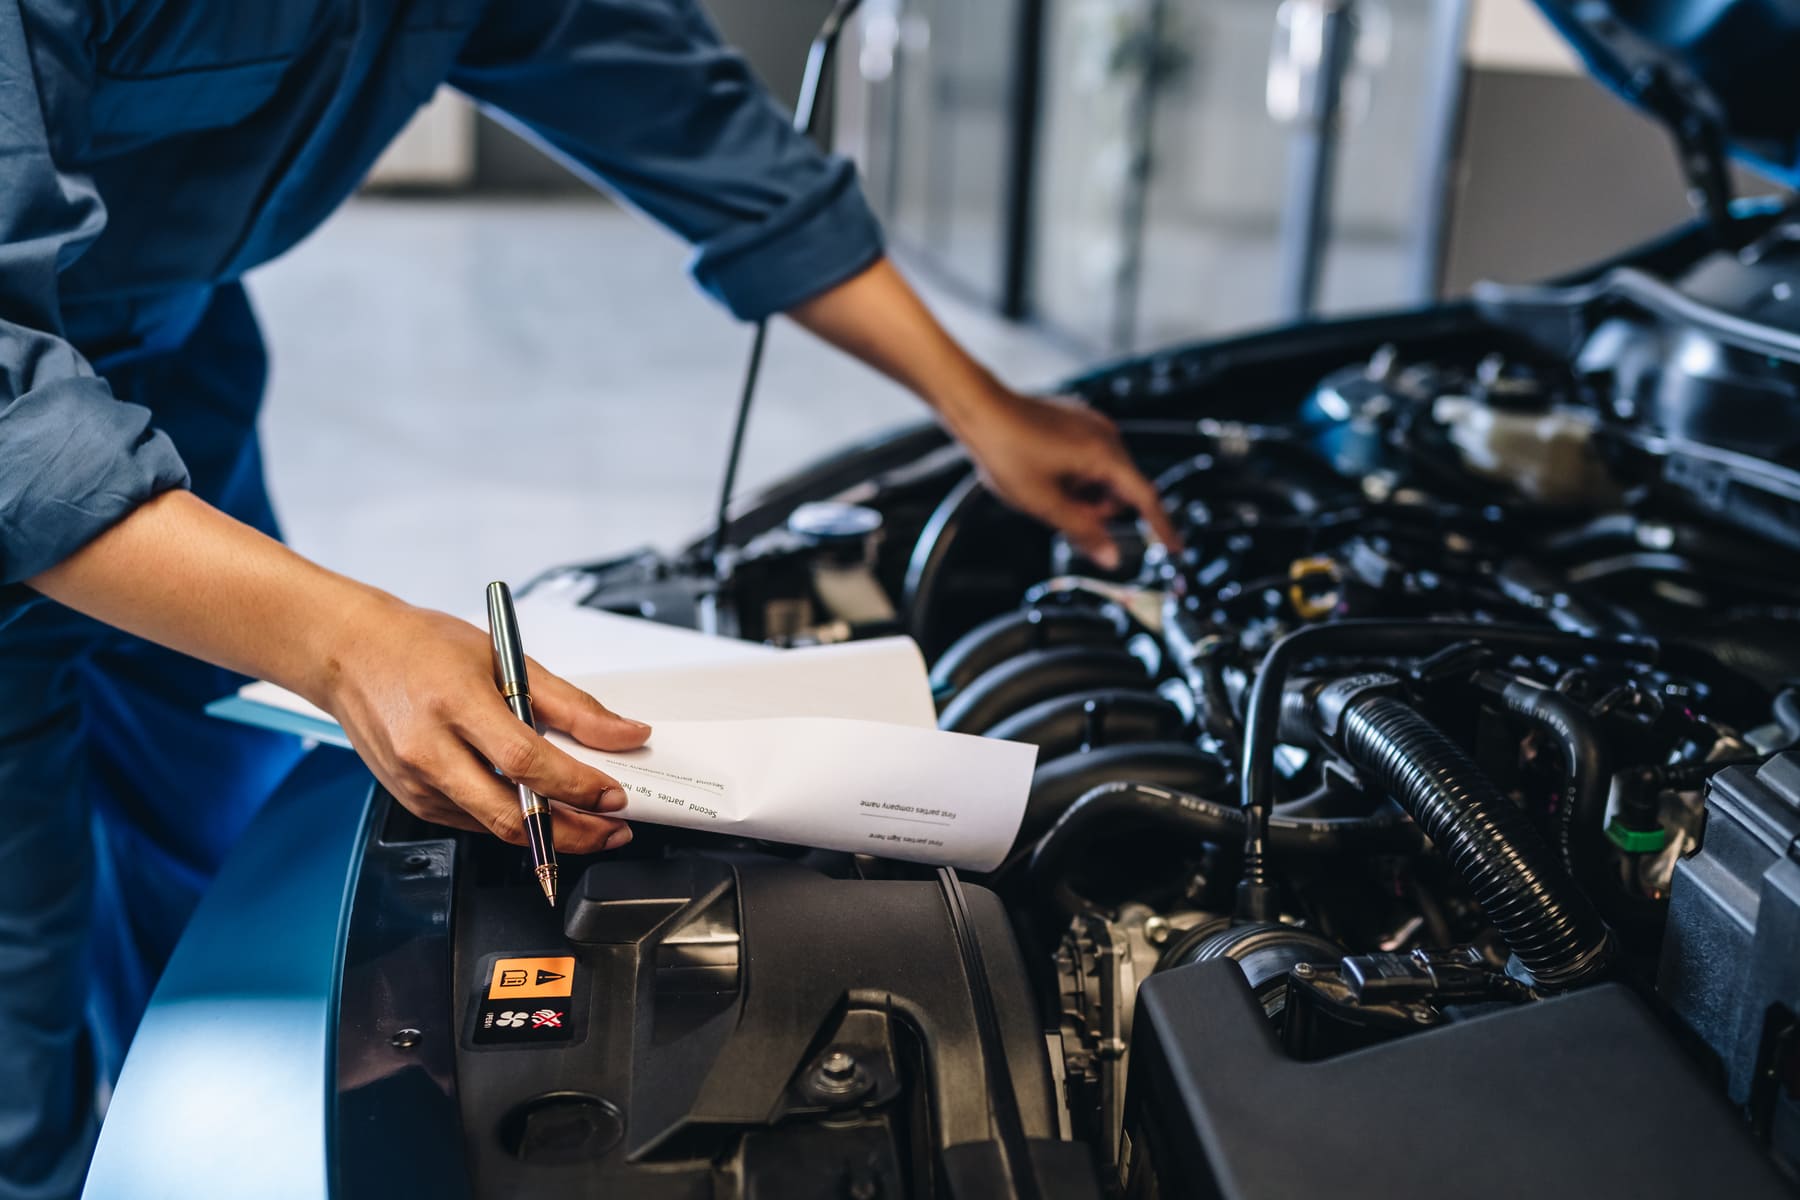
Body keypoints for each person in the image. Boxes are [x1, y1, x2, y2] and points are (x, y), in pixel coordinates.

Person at [0, 1, 1179, 1194]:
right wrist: (342, 638)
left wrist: (980, 405)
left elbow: (689, 115)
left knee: (224, 875)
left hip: (163, 381)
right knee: (14, 1003)